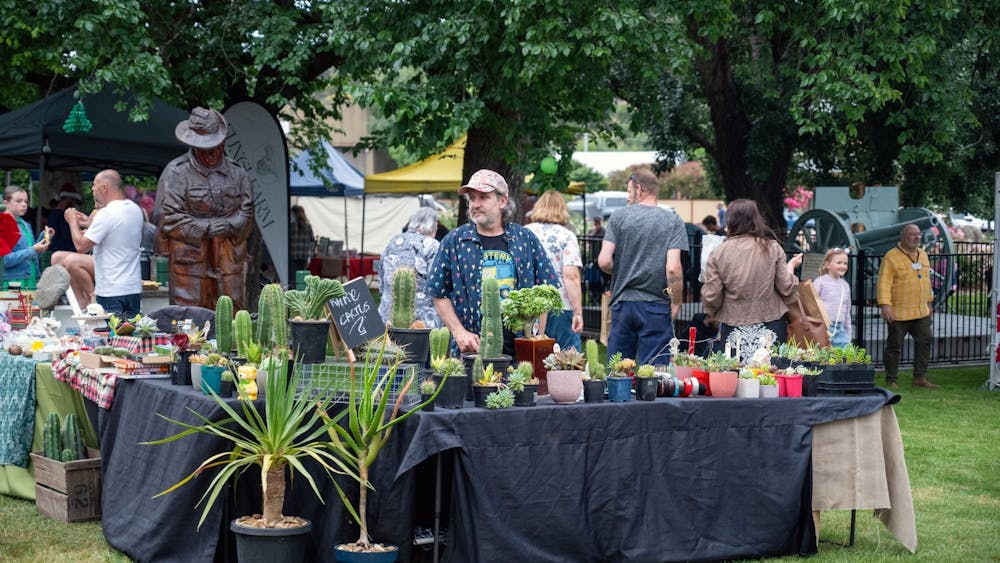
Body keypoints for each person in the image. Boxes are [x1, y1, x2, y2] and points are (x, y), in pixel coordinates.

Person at [428, 169, 558, 356]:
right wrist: (459, 332)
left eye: (483, 197)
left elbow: (545, 289)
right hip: (472, 352)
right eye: (472, 198)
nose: (476, 204)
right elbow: (437, 291)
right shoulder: (455, 241)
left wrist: (537, 337)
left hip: (520, 352)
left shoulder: (525, 239)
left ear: (502, 201)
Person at [157, 107, 255, 310]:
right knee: (189, 317)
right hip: (190, 265)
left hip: (229, 263)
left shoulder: (238, 173)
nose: (211, 153)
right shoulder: (176, 173)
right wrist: (207, 227)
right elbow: (168, 216)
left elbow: (247, 212)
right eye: (205, 147)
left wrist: (231, 225)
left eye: (216, 146)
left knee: (233, 316)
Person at [598, 168, 687, 365]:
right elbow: (673, 268)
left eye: (629, 191)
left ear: (639, 189)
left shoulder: (618, 217)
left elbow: (604, 261)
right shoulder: (673, 221)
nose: (628, 197)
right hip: (656, 305)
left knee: (619, 370)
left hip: (622, 303)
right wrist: (677, 302)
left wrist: (623, 270)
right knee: (655, 373)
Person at [701, 199, 802, 361]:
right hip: (770, 320)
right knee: (771, 372)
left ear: (730, 221)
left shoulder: (719, 252)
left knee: (735, 372)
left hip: (733, 321)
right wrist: (791, 269)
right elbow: (786, 288)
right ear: (756, 220)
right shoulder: (772, 248)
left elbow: (712, 295)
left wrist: (712, 311)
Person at [65, 170, 143, 318]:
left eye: (94, 185)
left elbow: (81, 247)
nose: (92, 189)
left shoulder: (106, 213)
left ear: (104, 188)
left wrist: (72, 222)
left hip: (111, 291)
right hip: (133, 289)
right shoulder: (134, 209)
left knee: (110, 333)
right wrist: (89, 223)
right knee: (132, 331)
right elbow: (115, 231)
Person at [877, 223, 937, 388]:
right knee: (894, 346)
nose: (917, 237)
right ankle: (891, 379)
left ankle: (920, 378)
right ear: (903, 237)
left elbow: (927, 281)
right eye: (912, 234)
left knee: (924, 342)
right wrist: (885, 305)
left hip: (921, 311)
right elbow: (883, 283)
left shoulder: (923, 255)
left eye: (918, 234)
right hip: (899, 312)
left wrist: (929, 302)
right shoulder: (891, 256)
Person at [525, 191, 583, 350]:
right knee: (566, 356)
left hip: (530, 304)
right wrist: (578, 312)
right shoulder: (567, 236)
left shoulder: (525, 233)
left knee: (532, 355)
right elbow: (571, 276)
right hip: (560, 304)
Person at [379, 208, 442, 328]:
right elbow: (438, 285)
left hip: (388, 316)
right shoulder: (433, 246)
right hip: (420, 320)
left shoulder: (393, 241)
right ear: (433, 227)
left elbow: (381, 277)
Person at [2, 185, 52, 289]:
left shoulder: (25, 225)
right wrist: (33, 250)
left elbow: (32, 254)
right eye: (18, 201)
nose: (24, 204)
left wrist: (44, 238)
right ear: (6, 203)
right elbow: (4, 261)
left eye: (26, 201)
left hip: (31, 280)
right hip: (11, 282)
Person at [813, 248, 852, 348]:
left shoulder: (845, 285)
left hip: (840, 328)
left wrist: (848, 333)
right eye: (839, 263)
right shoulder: (820, 282)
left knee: (847, 354)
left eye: (845, 263)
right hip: (823, 327)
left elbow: (847, 311)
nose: (843, 266)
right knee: (823, 355)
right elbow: (811, 304)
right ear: (827, 264)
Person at [46, 185, 85, 253]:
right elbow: (65, 238)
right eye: (74, 201)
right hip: (63, 252)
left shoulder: (55, 215)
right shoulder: (60, 216)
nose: (74, 205)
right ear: (68, 200)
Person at [290, 205, 315, 272]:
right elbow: (312, 240)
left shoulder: (292, 224)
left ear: (293, 213)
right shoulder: (308, 225)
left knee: (294, 274)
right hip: (305, 255)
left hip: (294, 255)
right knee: (301, 275)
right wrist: (311, 255)